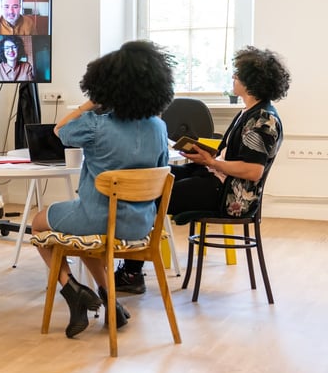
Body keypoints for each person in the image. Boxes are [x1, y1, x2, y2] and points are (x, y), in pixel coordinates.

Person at [115, 46, 291, 294]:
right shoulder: (250, 112)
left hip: (227, 195)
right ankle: (130, 266)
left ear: (251, 81)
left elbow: (252, 170)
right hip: (217, 180)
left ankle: (132, 273)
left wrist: (212, 162)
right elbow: (229, 155)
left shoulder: (263, 119)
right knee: (154, 178)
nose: (233, 77)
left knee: (149, 195)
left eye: (237, 74)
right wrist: (206, 158)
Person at [31, 40, 175, 338]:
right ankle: (111, 301)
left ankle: (71, 290)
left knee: (38, 223)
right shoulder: (159, 128)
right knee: (88, 239)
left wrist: (90, 104)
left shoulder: (97, 125)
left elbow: (60, 131)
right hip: (141, 224)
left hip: (96, 217)